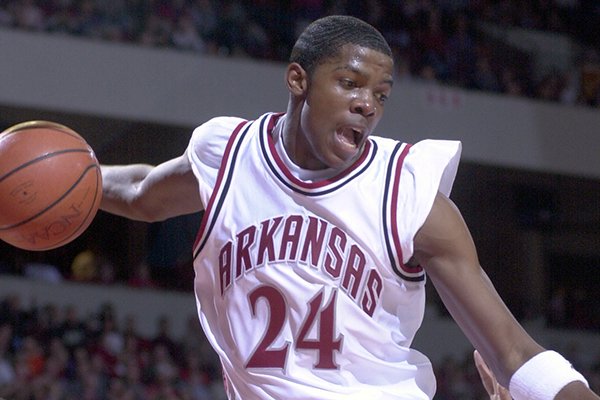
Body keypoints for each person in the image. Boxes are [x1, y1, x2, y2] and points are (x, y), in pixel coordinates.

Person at [99, 15, 599, 400]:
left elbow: (512, 350)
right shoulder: (227, 153)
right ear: (298, 80)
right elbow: (144, 193)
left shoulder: (409, 195)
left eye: (380, 95)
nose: (368, 105)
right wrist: (81, 179)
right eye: (351, 83)